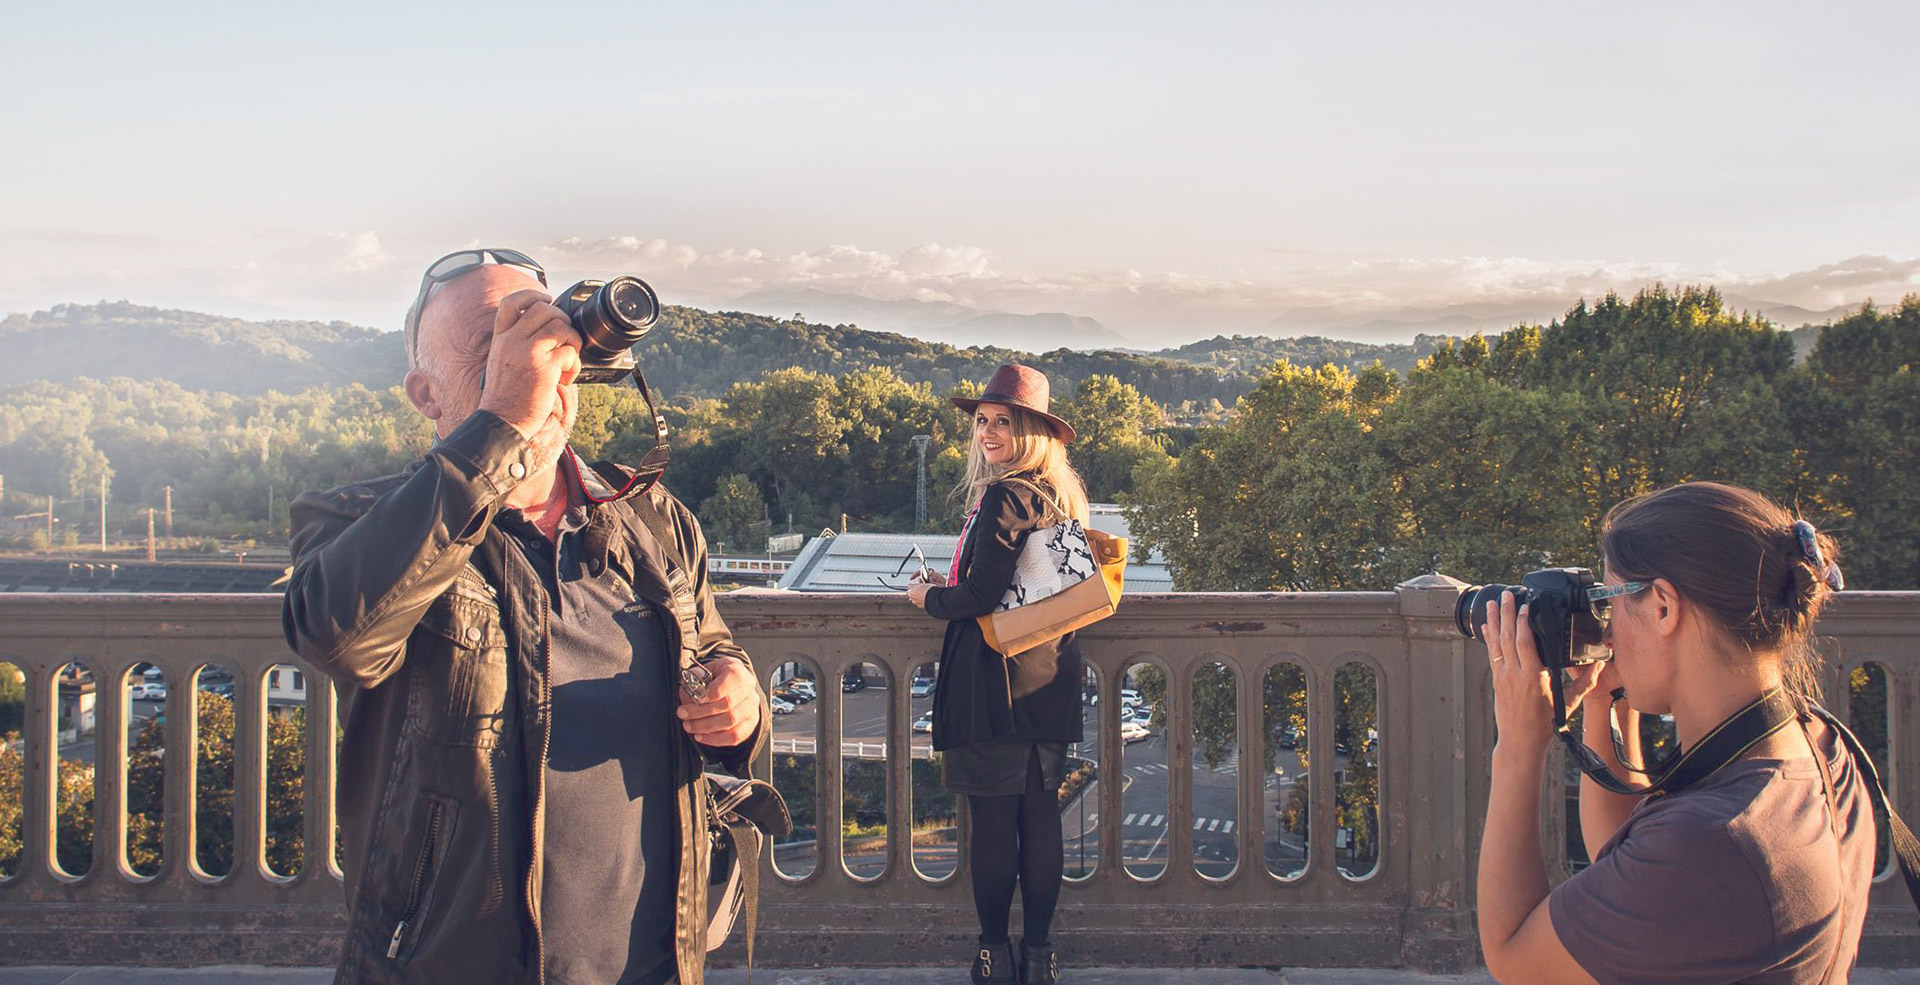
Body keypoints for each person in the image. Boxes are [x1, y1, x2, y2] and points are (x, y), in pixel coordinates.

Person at [282, 248, 767, 985]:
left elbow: (713, 643)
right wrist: (504, 422)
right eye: (495, 344)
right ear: (425, 392)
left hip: (655, 961)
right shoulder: (356, 521)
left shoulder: (651, 517)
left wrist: (740, 692)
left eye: (543, 331)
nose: (534, 357)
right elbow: (336, 635)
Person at [1476, 481, 1874, 985]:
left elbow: (1515, 957)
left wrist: (1518, 745)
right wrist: (1604, 700)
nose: (1606, 631)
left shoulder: (1713, 840)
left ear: (1663, 606)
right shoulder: (1820, 744)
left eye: (1609, 600)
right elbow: (1624, 858)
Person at [906, 363, 1089, 985]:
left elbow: (982, 594)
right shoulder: (1057, 495)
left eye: (1002, 422)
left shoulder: (1004, 495)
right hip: (1049, 677)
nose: (987, 432)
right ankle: (1040, 958)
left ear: (1030, 431)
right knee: (1039, 821)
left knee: (992, 826)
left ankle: (993, 955)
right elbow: (1026, 582)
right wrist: (952, 586)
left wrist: (928, 598)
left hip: (993, 681)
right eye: (983, 421)